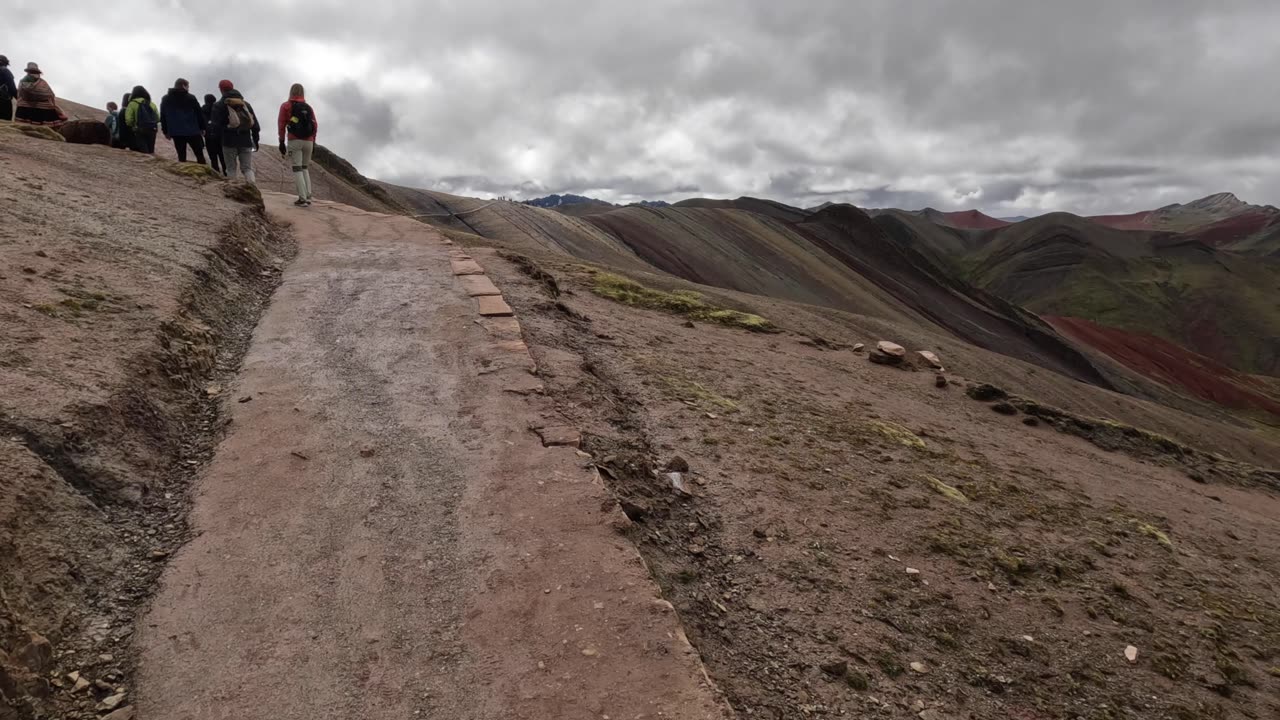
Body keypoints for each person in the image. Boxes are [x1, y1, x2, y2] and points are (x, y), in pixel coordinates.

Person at [208, 80, 260, 184]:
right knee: (247, 168)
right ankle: (252, 188)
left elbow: (215, 127)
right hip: (245, 140)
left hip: (228, 141)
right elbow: (255, 124)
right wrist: (255, 139)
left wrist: (216, 141)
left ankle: (232, 194)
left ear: (221, 89)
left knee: (231, 169)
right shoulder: (245, 104)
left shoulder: (219, 105)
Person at [277, 83, 318, 206]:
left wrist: (281, 141)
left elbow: (281, 124)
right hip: (309, 140)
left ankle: (302, 198)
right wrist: (313, 141)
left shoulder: (286, 106)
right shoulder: (308, 107)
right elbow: (315, 125)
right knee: (305, 168)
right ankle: (309, 196)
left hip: (295, 140)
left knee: (297, 169)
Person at [14, 62, 67, 127]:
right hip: (43, 110)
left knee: (25, 128)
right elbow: (50, 95)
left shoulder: (22, 81)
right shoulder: (42, 82)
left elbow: (20, 94)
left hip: (24, 109)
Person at [124, 85, 159, 153]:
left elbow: (128, 120)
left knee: (143, 151)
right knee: (151, 150)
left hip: (140, 129)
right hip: (152, 129)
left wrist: (133, 126)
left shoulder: (132, 103)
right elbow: (158, 118)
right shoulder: (152, 104)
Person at [202, 93, 225, 175]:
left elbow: (200, 123)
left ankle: (216, 174)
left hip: (208, 137)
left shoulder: (202, 110)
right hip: (219, 136)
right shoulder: (218, 109)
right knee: (223, 157)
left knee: (213, 158)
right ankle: (226, 174)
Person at [0, 56, 16, 122]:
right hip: (2, 101)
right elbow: (12, 87)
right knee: (4, 123)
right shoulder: (5, 71)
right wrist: (19, 98)